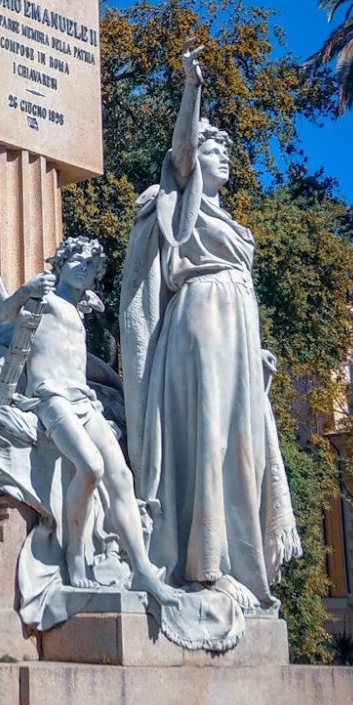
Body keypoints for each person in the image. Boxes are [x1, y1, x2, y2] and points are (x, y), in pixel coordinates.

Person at [120, 51, 302, 612]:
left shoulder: (231, 221)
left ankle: (238, 566)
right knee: (208, 441)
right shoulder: (181, 199)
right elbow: (179, 153)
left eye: (225, 150)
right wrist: (191, 89)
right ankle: (202, 567)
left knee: (240, 445)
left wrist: (258, 349)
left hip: (237, 333)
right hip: (200, 323)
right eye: (212, 149)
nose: (222, 157)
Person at [0, 236, 180, 601]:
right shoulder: (43, 299)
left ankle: (142, 568)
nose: (84, 268)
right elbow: (1, 316)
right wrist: (23, 292)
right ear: (61, 263)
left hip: (84, 399)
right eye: (76, 260)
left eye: (90, 265)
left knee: (121, 476)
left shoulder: (79, 308)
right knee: (92, 468)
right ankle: (75, 554)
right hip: (51, 397)